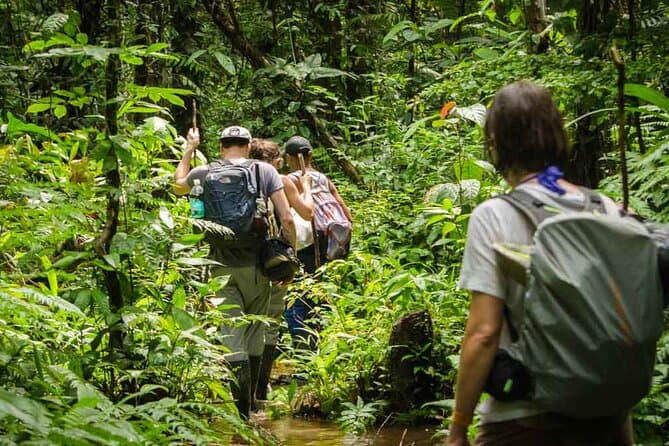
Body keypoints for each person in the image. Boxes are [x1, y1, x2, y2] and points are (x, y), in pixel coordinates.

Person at [447, 81, 634, 446]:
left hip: (524, 421)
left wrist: (458, 427)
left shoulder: (494, 216)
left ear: (496, 142)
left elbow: (484, 334)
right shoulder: (608, 209)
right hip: (608, 419)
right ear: (555, 136)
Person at [173, 126, 296, 419]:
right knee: (256, 331)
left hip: (219, 266)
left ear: (221, 146)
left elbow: (177, 184)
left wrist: (190, 147)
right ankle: (254, 407)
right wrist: (288, 259)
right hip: (258, 267)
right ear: (248, 145)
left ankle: (240, 414)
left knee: (232, 333)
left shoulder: (204, 172)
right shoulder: (264, 172)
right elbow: (287, 217)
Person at [248, 137, 314, 401]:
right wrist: (291, 259)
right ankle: (261, 390)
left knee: (246, 322)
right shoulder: (281, 180)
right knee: (271, 323)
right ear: (276, 161)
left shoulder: (242, 178)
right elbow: (303, 214)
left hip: (242, 257)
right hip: (274, 262)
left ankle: (245, 393)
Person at [282, 136, 352, 350]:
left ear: (288, 158)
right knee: (318, 295)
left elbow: (289, 214)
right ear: (311, 154)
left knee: (295, 298)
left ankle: (304, 355)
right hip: (327, 245)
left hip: (304, 244)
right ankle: (322, 351)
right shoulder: (322, 178)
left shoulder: (289, 180)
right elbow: (346, 211)